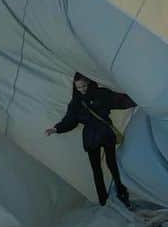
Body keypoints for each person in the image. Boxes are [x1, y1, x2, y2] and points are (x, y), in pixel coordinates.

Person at [45, 72, 135, 208]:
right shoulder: (77, 101)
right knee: (97, 169)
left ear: (89, 83)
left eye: (84, 86)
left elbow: (119, 100)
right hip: (93, 136)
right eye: (79, 88)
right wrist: (56, 129)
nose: (82, 90)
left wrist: (136, 99)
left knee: (112, 165)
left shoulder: (101, 94)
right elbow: (70, 120)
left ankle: (121, 194)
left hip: (102, 133)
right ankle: (103, 199)